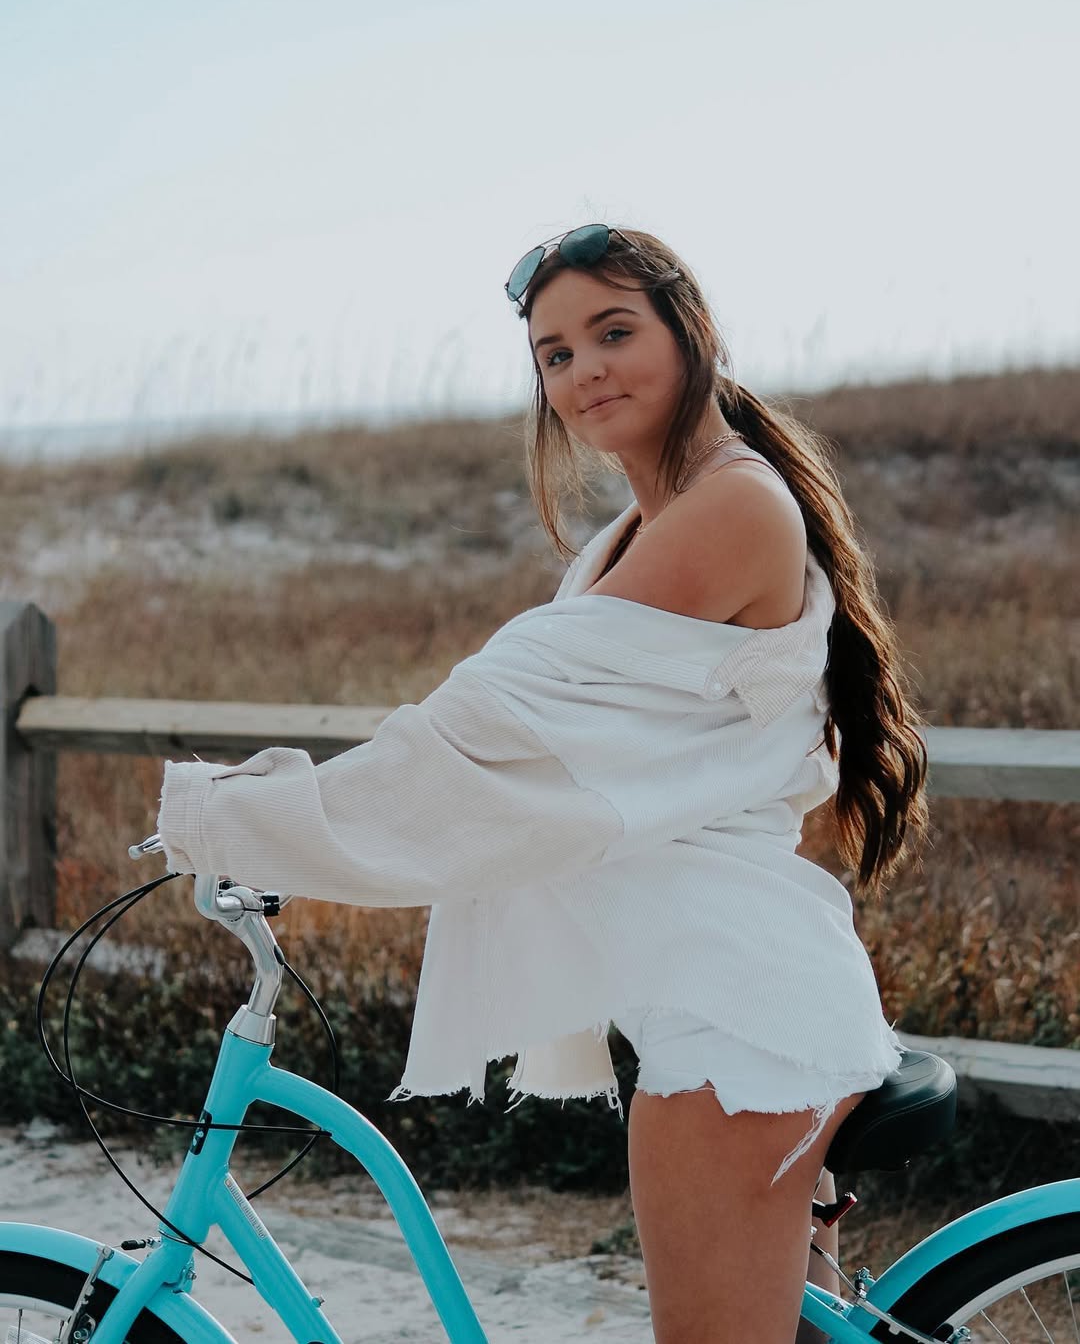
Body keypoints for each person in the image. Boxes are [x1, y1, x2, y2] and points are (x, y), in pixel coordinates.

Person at [156, 224, 929, 1343]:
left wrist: (225, 817)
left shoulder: (730, 509)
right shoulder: (646, 527)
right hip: (721, 989)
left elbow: (495, 740)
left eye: (613, 333)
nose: (584, 371)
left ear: (691, 333)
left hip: (738, 1029)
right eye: (555, 354)